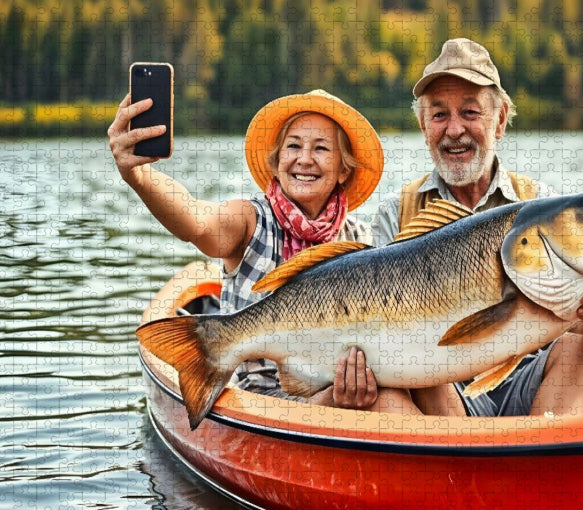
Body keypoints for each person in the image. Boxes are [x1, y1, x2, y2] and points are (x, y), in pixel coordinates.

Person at [371, 38, 583, 510]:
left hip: (534, 397)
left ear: (500, 120)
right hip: (440, 396)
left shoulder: (544, 203)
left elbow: (579, 325)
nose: (455, 129)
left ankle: (538, 502)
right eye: (440, 115)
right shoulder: (394, 216)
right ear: (425, 128)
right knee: (396, 370)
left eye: (470, 112)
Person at [108, 89, 416, 413]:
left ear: (343, 169)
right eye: (293, 146)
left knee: (402, 390)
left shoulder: (361, 238)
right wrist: (138, 175)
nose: (305, 159)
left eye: (321, 148)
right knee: (389, 401)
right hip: (266, 400)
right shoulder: (250, 220)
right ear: (277, 160)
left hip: (339, 385)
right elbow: (196, 222)